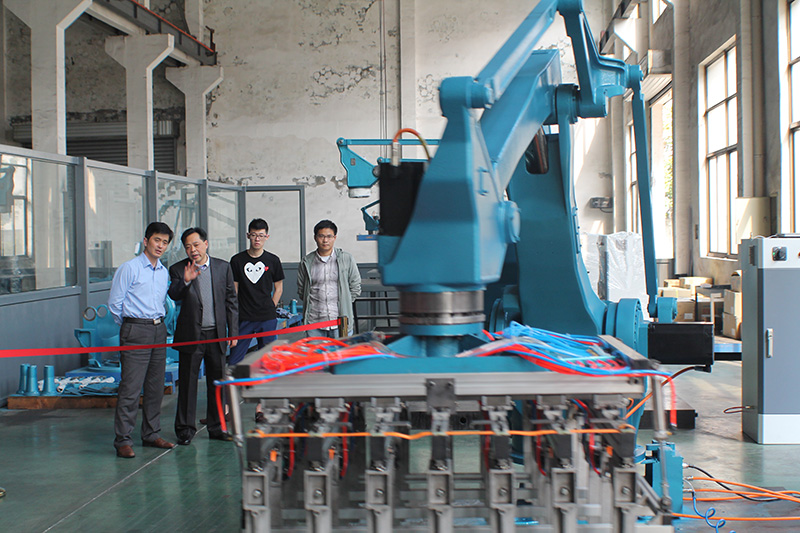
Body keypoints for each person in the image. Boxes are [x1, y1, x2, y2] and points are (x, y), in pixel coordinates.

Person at [108, 221, 176, 458]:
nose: (160, 246)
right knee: (131, 387)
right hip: (135, 330)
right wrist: (131, 326)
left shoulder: (163, 272)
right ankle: (123, 440)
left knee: (155, 386)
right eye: (157, 240)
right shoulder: (130, 268)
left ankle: (151, 434)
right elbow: (115, 304)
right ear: (146, 241)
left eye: (165, 242)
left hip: (159, 330)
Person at [168, 227, 238, 445]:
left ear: (206, 244)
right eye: (188, 247)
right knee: (188, 384)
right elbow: (173, 295)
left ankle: (217, 427)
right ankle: (185, 430)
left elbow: (231, 301)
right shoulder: (178, 269)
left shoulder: (223, 267)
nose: (193, 250)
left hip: (217, 335)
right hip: (192, 335)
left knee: (217, 384)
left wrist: (233, 332)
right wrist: (186, 281)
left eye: (196, 244)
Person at [228, 218, 285, 366]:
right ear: (248, 236)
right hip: (244, 317)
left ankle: (265, 381)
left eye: (261, 235)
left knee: (268, 359)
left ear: (267, 236)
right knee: (234, 360)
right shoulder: (237, 260)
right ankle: (235, 381)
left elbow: (279, 288)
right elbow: (234, 289)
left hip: (267, 317)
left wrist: (271, 306)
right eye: (253, 235)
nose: (257, 239)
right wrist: (235, 312)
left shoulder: (273, 260)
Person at [297, 219, 361, 337]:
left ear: (334, 237)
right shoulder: (306, 262)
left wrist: (345, 301)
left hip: (340, 322)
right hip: (314, 323)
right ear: (315, 237)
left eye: (329, 236)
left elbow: (355, 286)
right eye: (321, 236)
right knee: (315, 350)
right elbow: (302, 290)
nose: (325, 240)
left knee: (341, 350)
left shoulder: (346, 259)